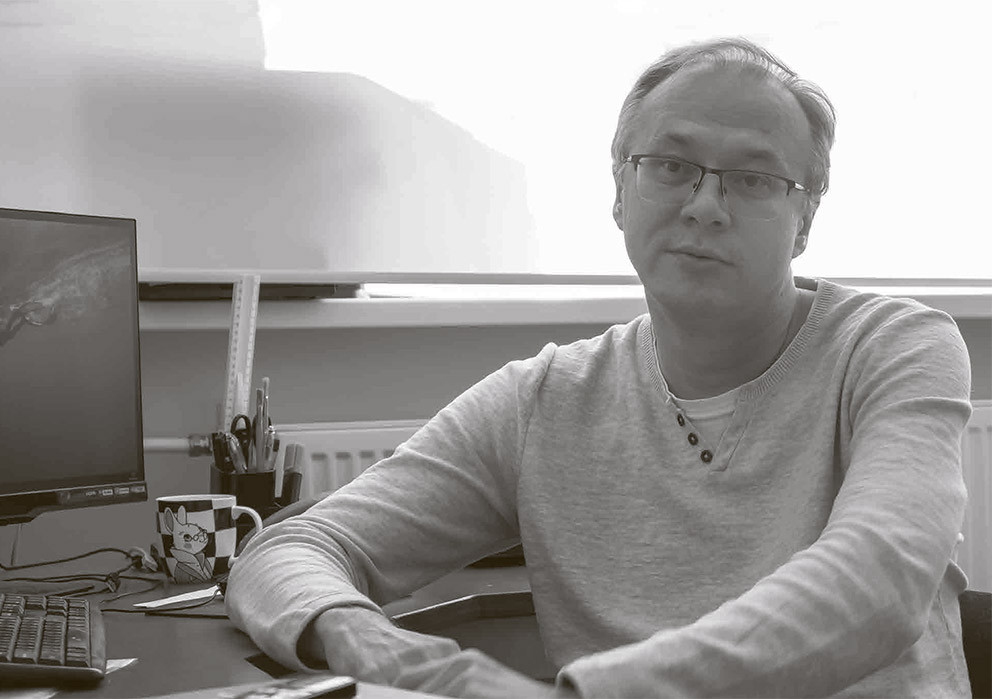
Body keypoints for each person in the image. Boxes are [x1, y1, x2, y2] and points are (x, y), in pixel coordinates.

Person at [226, 36, 974, 697]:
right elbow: (292, 549)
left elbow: (882, 579)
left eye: (753, 178)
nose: (705, 205)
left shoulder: (894, 348)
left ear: (804, 220)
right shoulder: (544, 400)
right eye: (672, 166)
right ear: (619, 193)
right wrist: (389, 653)